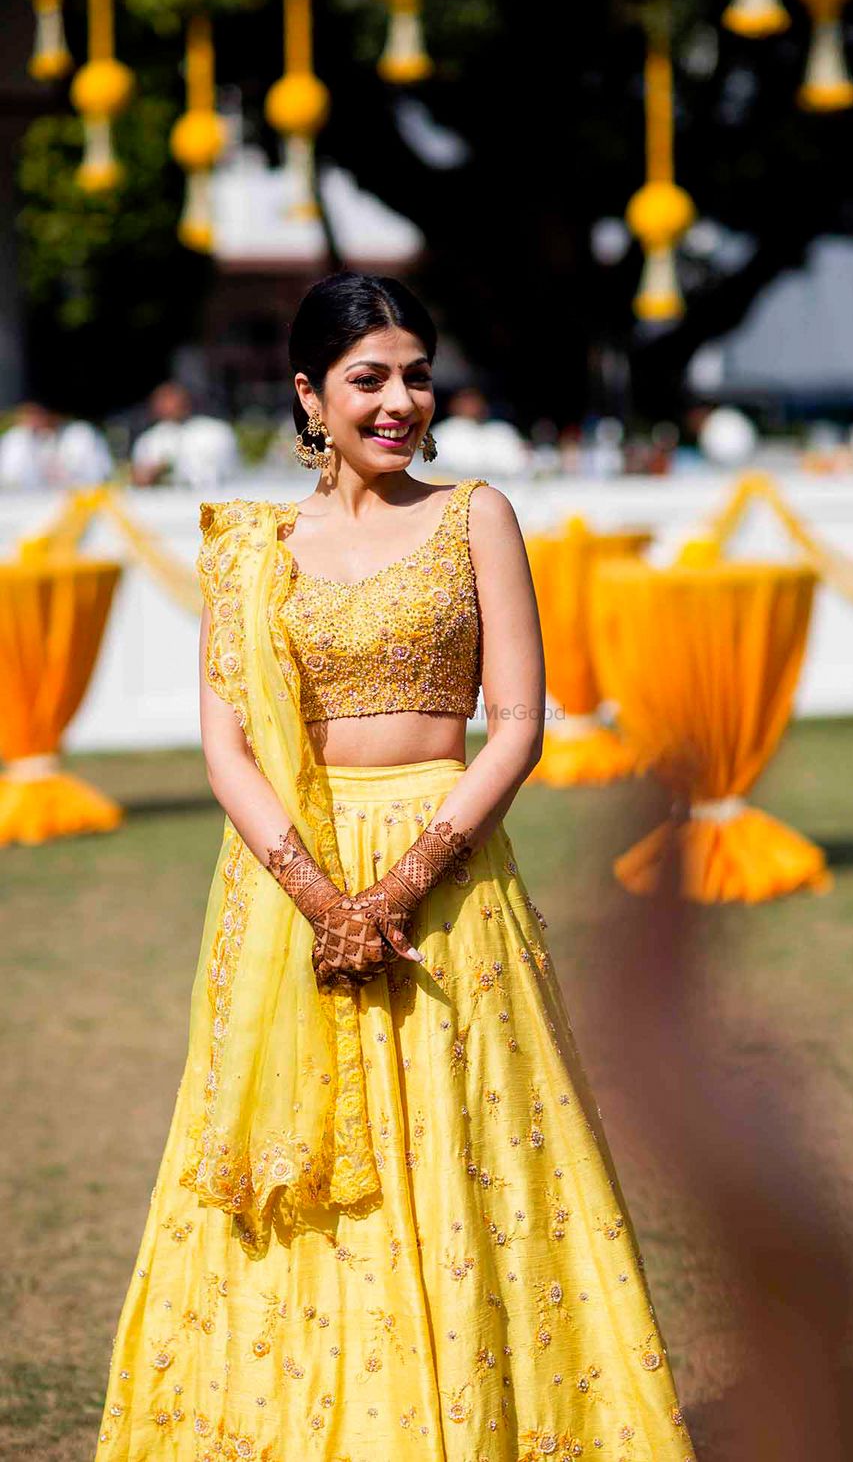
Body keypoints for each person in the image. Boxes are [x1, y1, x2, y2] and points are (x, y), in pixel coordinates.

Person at [93, 272, 697, 1461]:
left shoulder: (474, 515)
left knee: (471, 1158)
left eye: (415, 376)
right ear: (309, 396)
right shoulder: (247, 548)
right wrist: (325, 901)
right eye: (369, 379)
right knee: (309, 1179)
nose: (400, 402)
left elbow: (518, 721)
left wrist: (400, 886)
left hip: (451, 881)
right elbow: (224, 744)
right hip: (289, 889)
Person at [131, 381, 242, 488]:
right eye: (163, 400)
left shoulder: (215, 431)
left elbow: (224, 470)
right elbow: (139, 478)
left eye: (172, 398)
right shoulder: (148, 440)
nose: (168, 405)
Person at [0, 401, 113, 488]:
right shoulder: (17, 438)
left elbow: (97, 477)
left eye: (38, 412)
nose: (32, 418)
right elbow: (11, 479)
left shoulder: (80, 434)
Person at [430, 384, 529, 476]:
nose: (472, 406)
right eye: (466, 402)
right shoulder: (443, 433)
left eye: (475, 401)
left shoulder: (501, 430)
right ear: (454, 405)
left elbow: (521, 462)